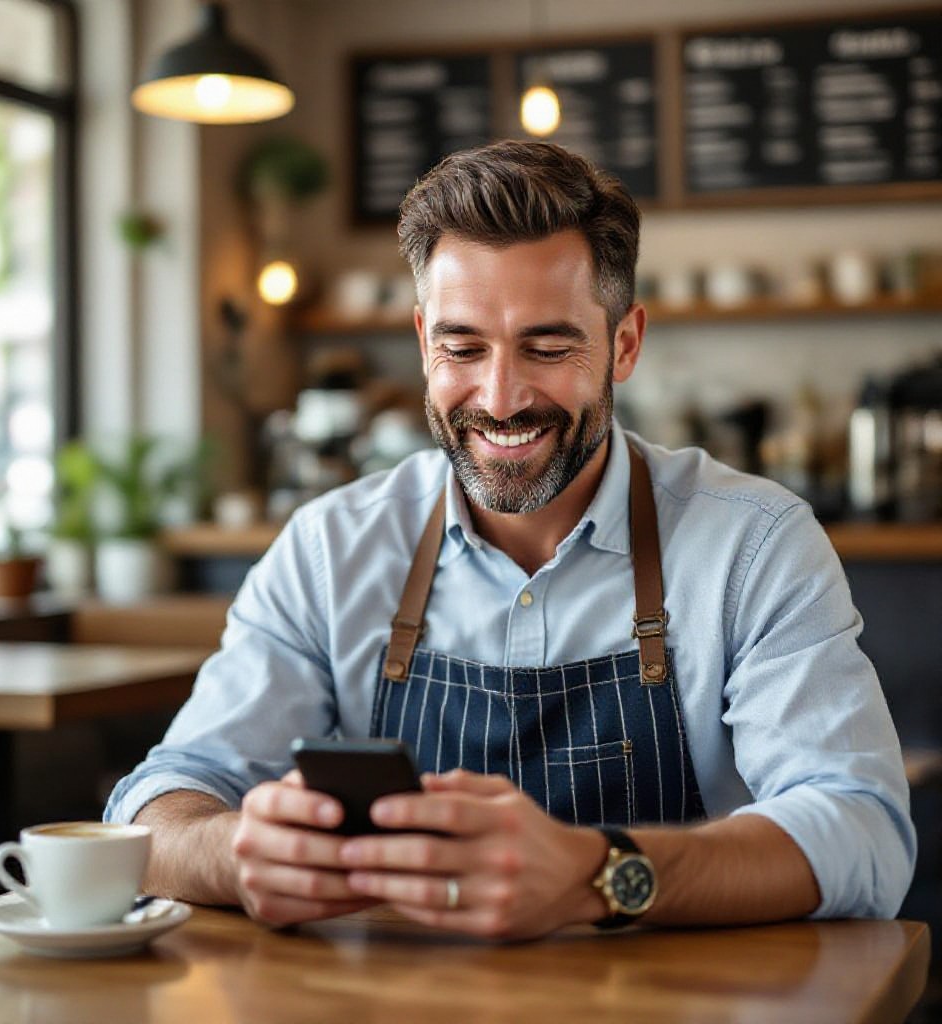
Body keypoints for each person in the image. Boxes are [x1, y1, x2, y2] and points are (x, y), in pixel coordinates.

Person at [105, 140, 914, 940]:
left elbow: (861, 830)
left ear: (624, 344)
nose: (499, 398)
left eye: (548, 346)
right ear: (424, 342)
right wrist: (234, 852)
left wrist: (600, 875)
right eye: (462, 348)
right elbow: (164, 801)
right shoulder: (330, 549)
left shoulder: (753, 545)